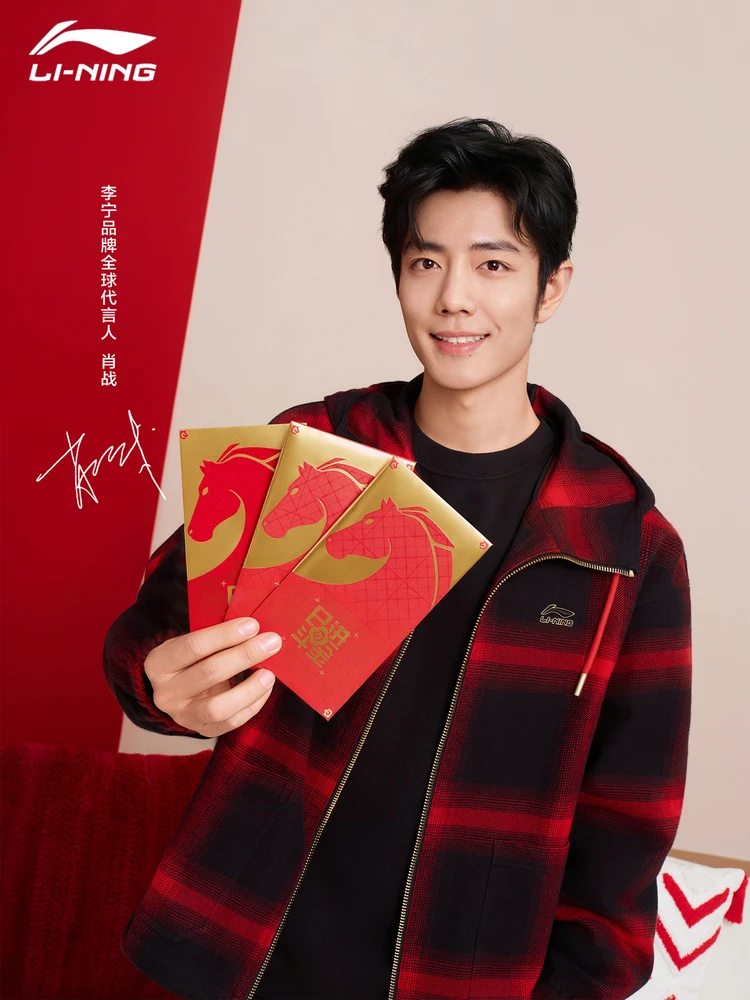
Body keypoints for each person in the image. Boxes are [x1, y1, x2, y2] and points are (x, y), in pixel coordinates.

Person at [104, 118, 692, 1000]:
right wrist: (163, 682)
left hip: (463, 980)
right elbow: (149, 631)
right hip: (240, 955)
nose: (454, 298)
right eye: (426, 262)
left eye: (493, 265)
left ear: (552, 287)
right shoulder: (318, 448)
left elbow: (626, 836)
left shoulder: (624, 545)